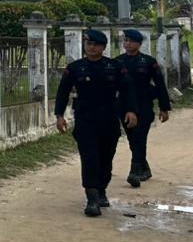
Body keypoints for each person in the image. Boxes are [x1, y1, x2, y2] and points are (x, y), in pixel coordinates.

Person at [53, 29, 139, 217]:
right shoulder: (75, 68)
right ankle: (92, 198)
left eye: (95, 45)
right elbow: (62, 92)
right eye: (88, 44)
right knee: (89, 157)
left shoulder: (114, 67)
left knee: (106, 158)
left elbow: (128, 89)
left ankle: (101, 190)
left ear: (103, 47)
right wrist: (59, 115)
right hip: (85, 119)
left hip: (109, 119)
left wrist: (131, 111)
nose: (91, 48)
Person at [115, 28, 171, 187]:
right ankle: (145, 168)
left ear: (139, 44)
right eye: (126, 40)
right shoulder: (118, 62)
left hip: (144, 105)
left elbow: (160, 85)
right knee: (133, 139)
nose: (127, 43)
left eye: (131, 41)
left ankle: (134, 172)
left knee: (139, 137)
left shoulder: (149, 62)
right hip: (124, 106)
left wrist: (164, 108)